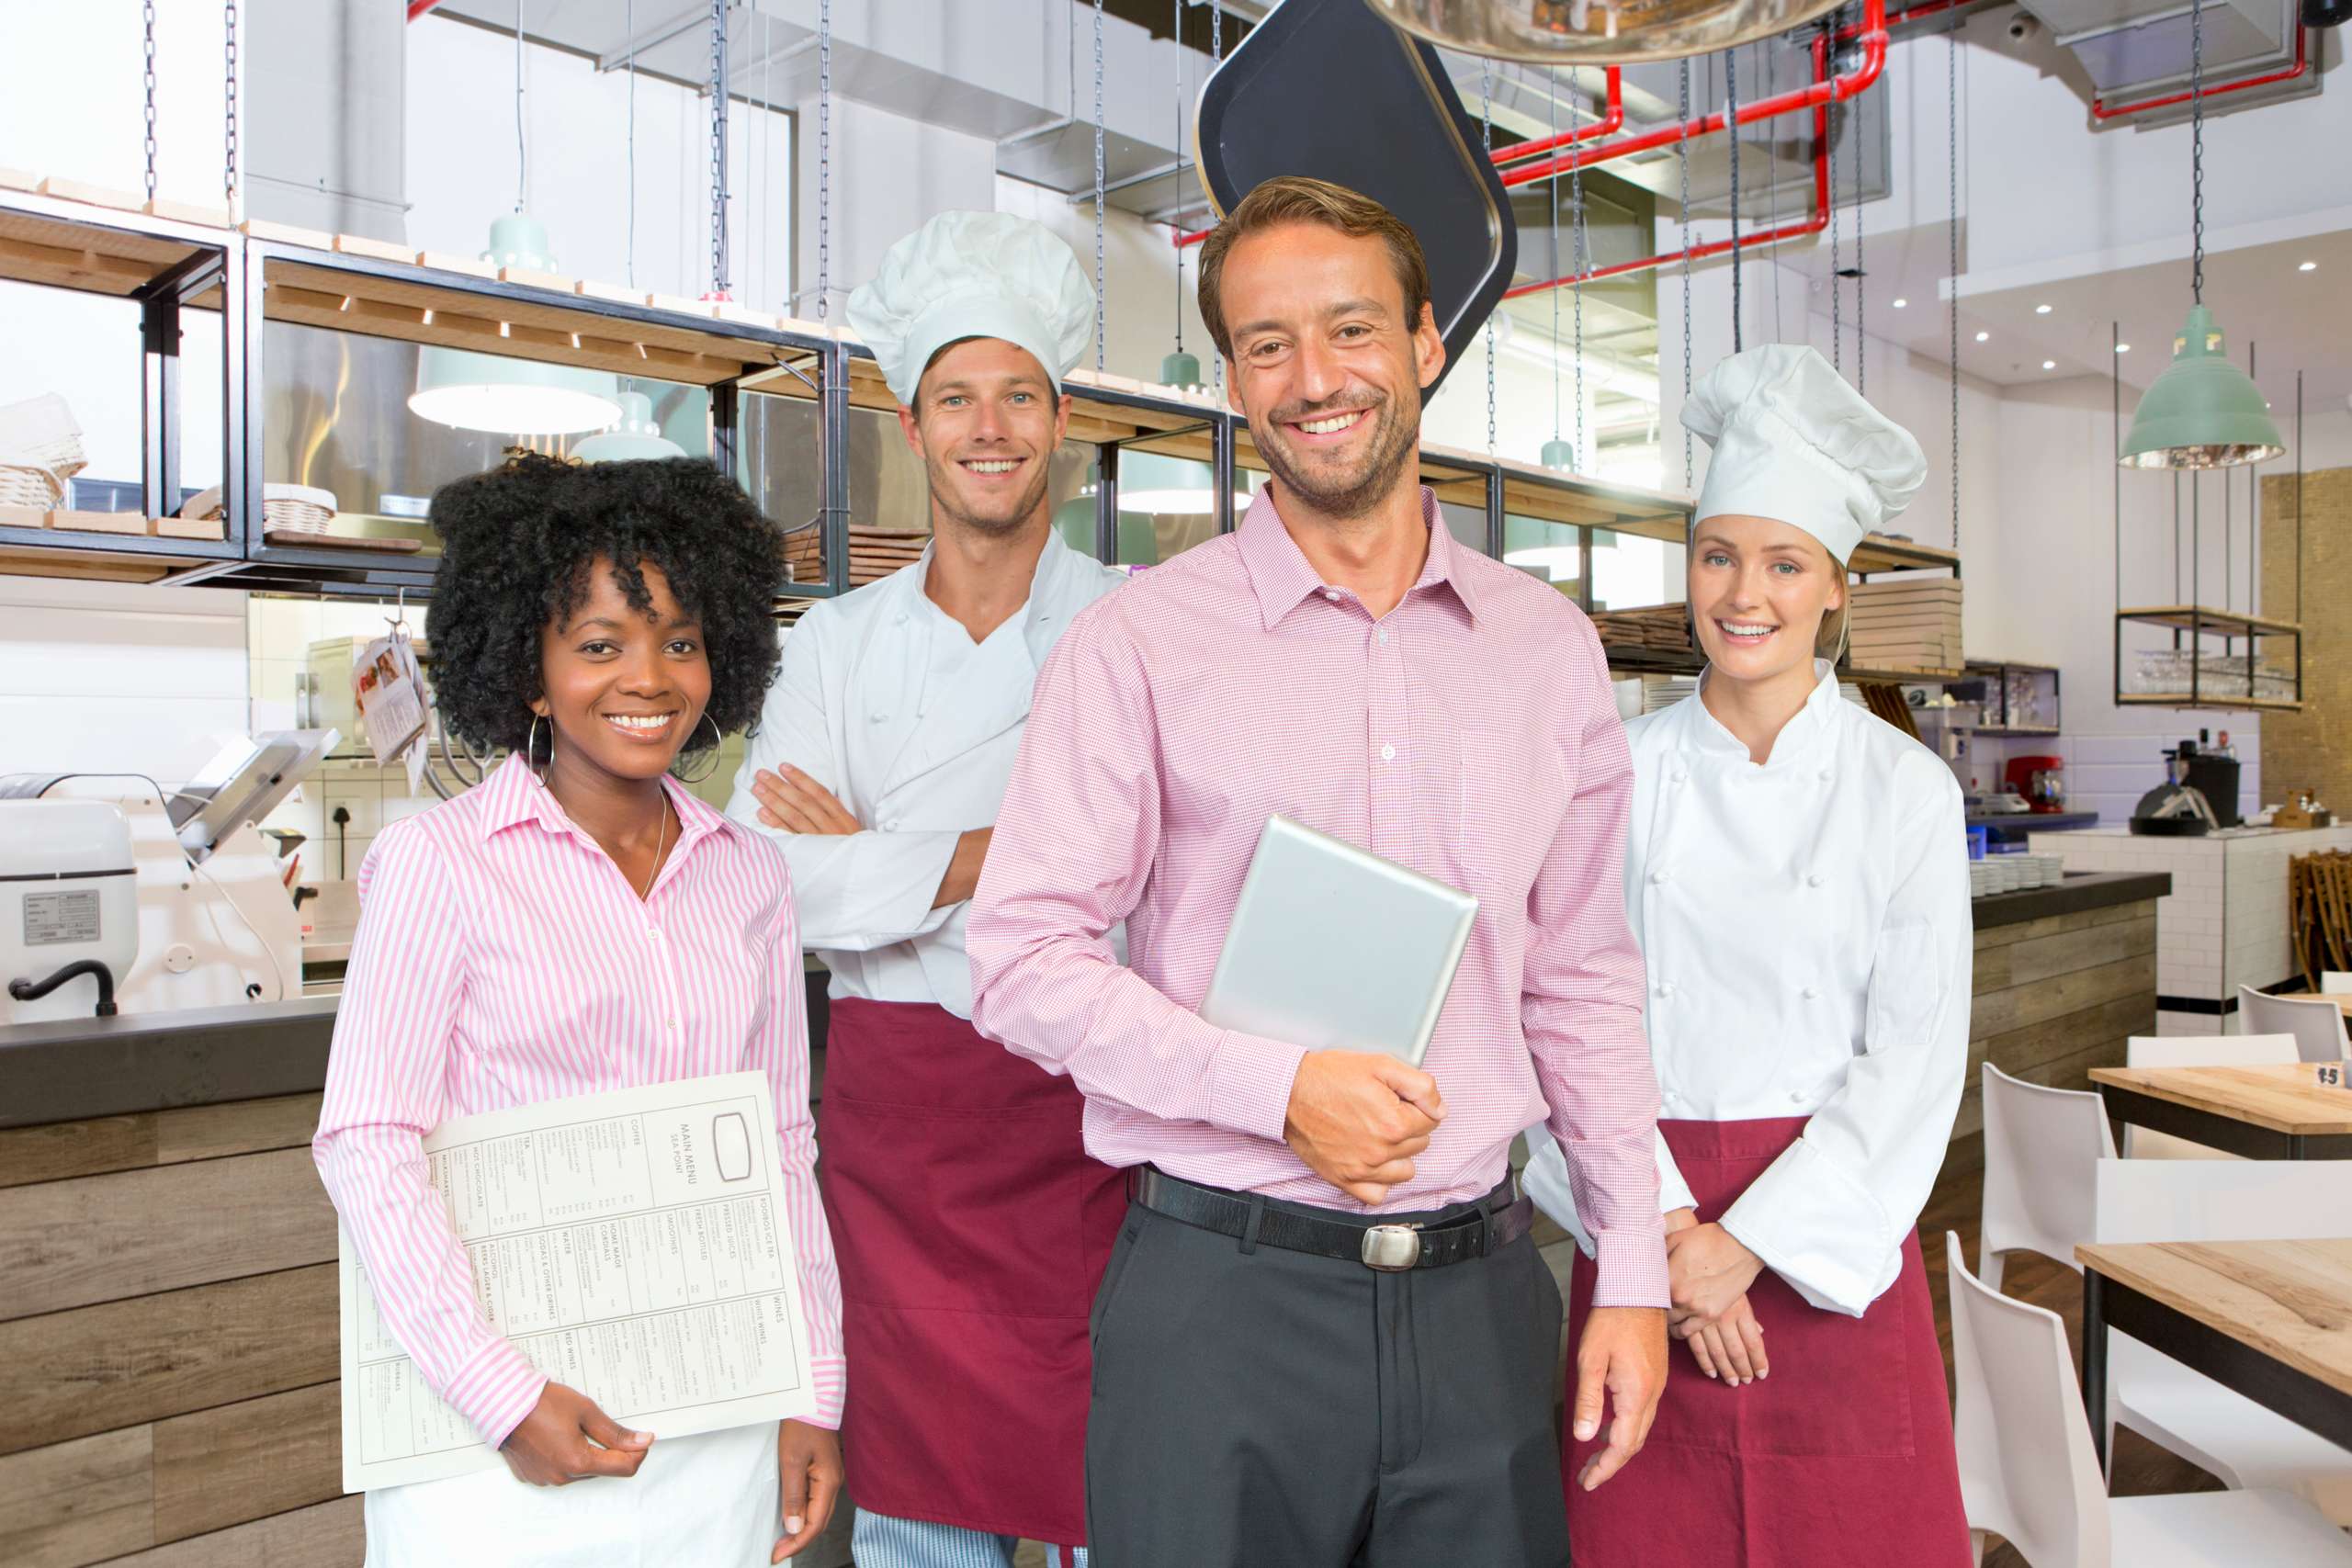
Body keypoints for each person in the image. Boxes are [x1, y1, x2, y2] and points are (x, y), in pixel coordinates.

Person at [966, 175, 1668, 1567]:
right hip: (1217, 1306)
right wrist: (1276, 1088)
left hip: (1481, 1299)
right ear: (1233, 378)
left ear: (1426, 342)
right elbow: (1020, 960)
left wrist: (1630, 1266)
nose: (1313, 378)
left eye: (1350, 328)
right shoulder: (1138, 645)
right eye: (1267, 343)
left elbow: (1584, 978)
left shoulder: (1546, 651)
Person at [313, 455, 844, 1568]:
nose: (647, 678)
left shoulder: (749, 874)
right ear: (530, 672)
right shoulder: (439, 865)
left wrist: (813, 1388)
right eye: (599, 644)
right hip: (496, 1431)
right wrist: (498, 1394)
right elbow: (367, 1141)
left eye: (681, 640)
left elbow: (781, 1145)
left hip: (716, 1410)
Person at [1523, 342, 1973, 1566]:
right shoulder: (1612, 771)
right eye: (1719, 555)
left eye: (1785, 563)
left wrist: (1747, 1248)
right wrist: (1676, 1248)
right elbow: (1554, 1023)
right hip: (1645, 1228)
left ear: (1837, 585)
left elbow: (1915, 1065)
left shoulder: (1905, 791)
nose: (1745, 593)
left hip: (1830, 1259)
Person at [726, 209, 1125, 1568]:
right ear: (911, 424)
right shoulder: (833, 646)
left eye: (1019, 392)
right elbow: (764, 884)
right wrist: (1012, 852)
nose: (990, 424)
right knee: (915, 1534)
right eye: (958, 395)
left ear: (1061, 416)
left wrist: (880, 856)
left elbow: (1160, 877)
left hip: (1090, 1130)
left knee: (1109, 1505)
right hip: (902, 1161)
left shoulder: (1137, 631)